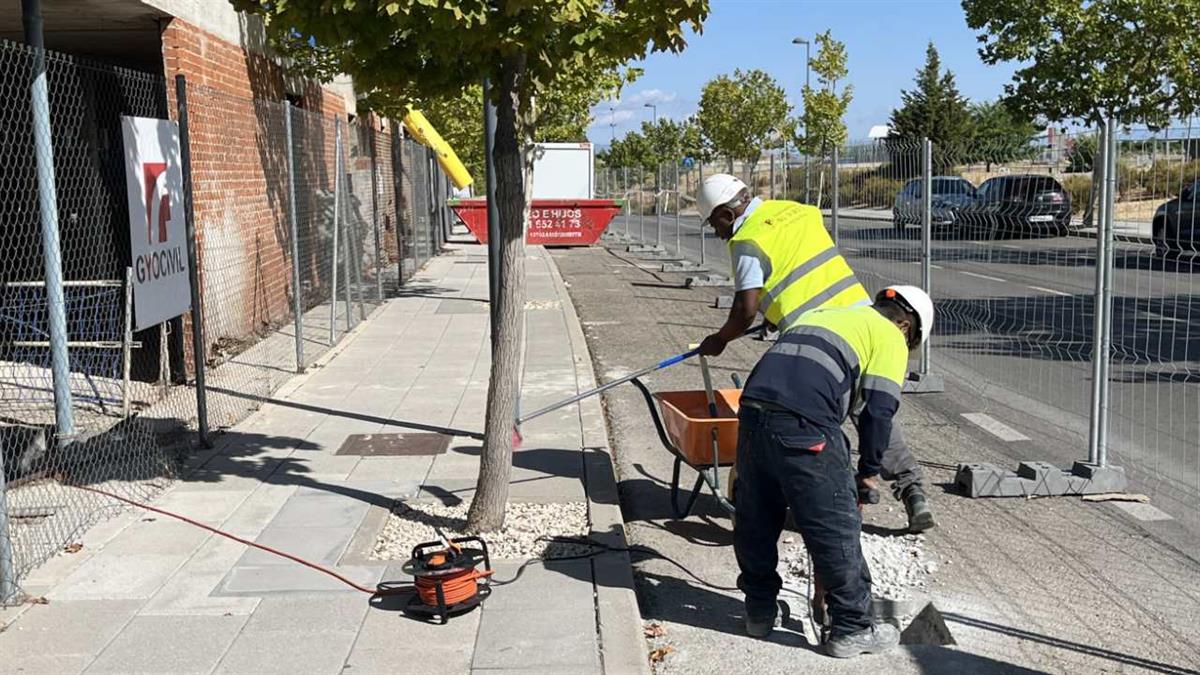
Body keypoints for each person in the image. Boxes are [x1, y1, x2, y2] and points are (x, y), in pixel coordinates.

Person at [696, 174, 934, 533]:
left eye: (714, 223)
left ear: (727, 215)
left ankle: (819, 504)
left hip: (817, 338)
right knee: (872, 410)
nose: (716, 232)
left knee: (813, 420)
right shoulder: (793, 210)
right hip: (863, 318)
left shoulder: (747, 239)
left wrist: (719, 340)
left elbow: (744, 310)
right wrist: (776, 316)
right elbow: (801, 270)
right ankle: (912, 491)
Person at [732, 285, 934, 657]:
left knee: (756, 517)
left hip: (751, 415)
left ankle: (758, 612)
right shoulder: (889, 335)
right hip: (806, 423)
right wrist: (868, 471)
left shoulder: (825, 315)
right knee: (834, 525)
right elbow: (878, 412)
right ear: (906, 326)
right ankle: (853, 628)